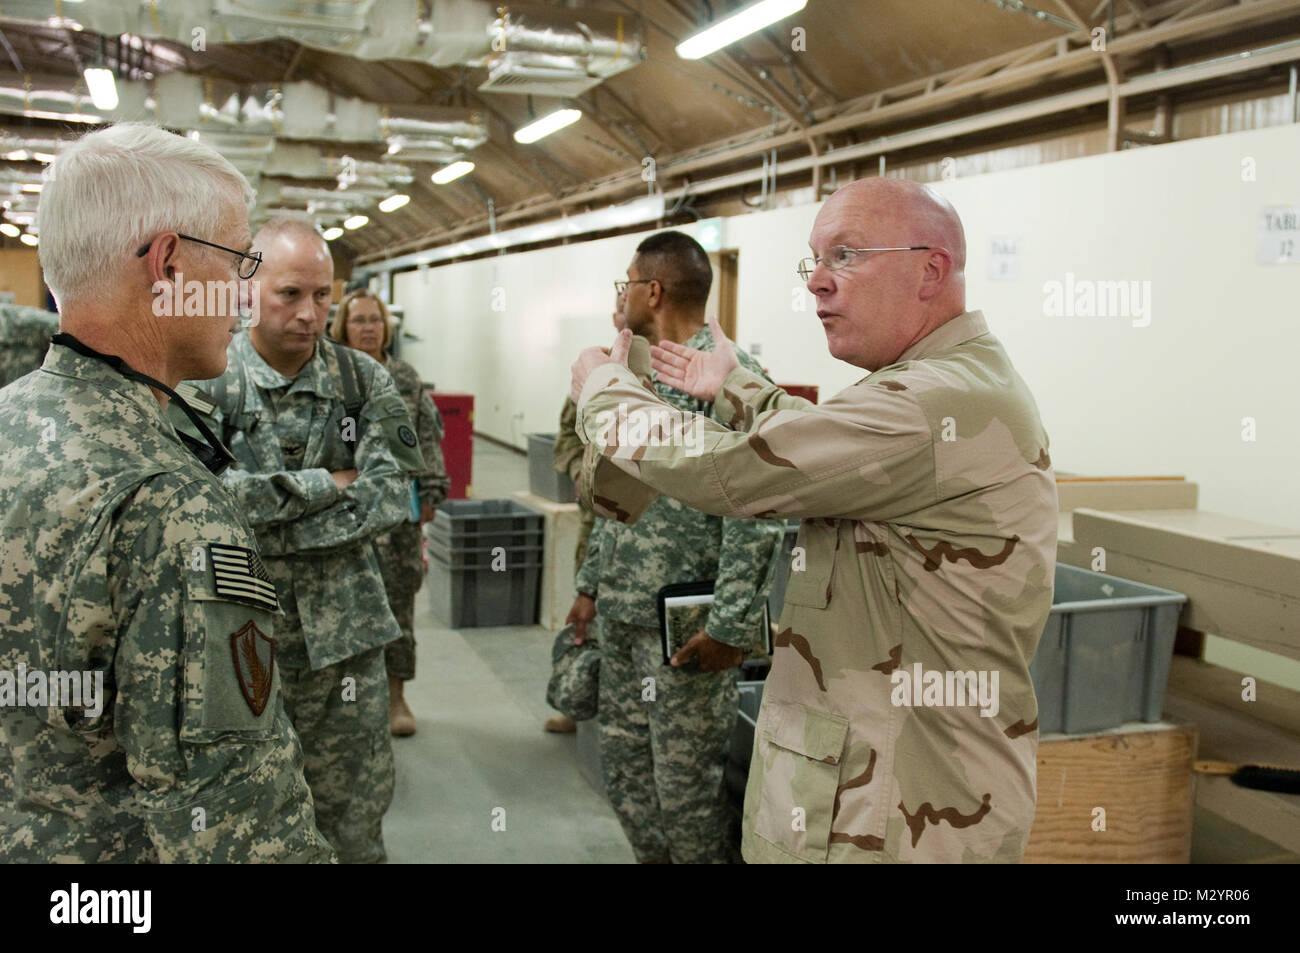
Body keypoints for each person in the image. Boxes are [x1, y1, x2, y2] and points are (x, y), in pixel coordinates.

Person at [570, 179, 1058, 864]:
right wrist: (740, 388)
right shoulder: (935, 381)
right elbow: (831, 443)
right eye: (815, 260)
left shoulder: (934, 399)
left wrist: (603, 389)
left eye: (847, 256)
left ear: (931, 270)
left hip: (897, 809)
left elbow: (734, 470)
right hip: (876, 785)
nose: (818, 284)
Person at [0, 122, 334, 862]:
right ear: (170, 265)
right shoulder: (168, 504)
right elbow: (237, 828)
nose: (247, 297)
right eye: (241, 262)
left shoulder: (11, 419)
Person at [170, 214, 424, 863]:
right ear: (249, 287)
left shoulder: (365, 383)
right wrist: (325, 484)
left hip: (346, 641)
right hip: (235, 640)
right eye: (291, 294)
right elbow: (196, 500)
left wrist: (264, 507)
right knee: (240, 816)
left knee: (352, 813)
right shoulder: (206, 381)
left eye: (322, 295)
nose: (310, 313)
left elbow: (392, 495)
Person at [565, 231, 785, 863]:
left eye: (626, 283)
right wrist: (589, 586)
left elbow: (758, 512)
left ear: (651, 290)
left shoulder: (729, 380)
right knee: (629, 780)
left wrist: (731, 627)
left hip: (687, 632)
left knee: (685, 799)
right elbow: (618, 496)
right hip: (625, 616)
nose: (623, 295)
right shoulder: (637, 375)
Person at [330, 290, 449, 737]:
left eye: (374, 321)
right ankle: (350, 700)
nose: (367, 328)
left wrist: (432, 489)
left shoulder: (404, 376)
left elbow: (426, 436)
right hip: (345, 511)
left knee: (399, 604)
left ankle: (396, 696)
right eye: (358, 320)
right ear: (344, 327)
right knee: (346, 607)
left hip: (398, 511)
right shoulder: (331, 376)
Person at [543, 286, 627, 734]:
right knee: (585, 605)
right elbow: (566, 434)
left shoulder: (677, 371)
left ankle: (615, 707)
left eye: (625, 298)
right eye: (616, 304)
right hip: (598, 520)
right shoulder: (593, 371)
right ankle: (576, 698)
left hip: (650, 528)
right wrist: (578, 469)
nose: (619, 310)